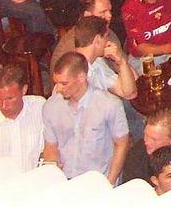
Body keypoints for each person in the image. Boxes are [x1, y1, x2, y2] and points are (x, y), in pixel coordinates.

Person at [42, 50, 130, 182]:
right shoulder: (51, 106)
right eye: (56, 83)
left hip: (98, 180)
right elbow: (51, 146)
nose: (58, 89)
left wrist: (109, 182)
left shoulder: (109, 104)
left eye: (64, 83)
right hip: (65, 181)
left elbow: (122, 144)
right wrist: (52, 169)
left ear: (82, 77)